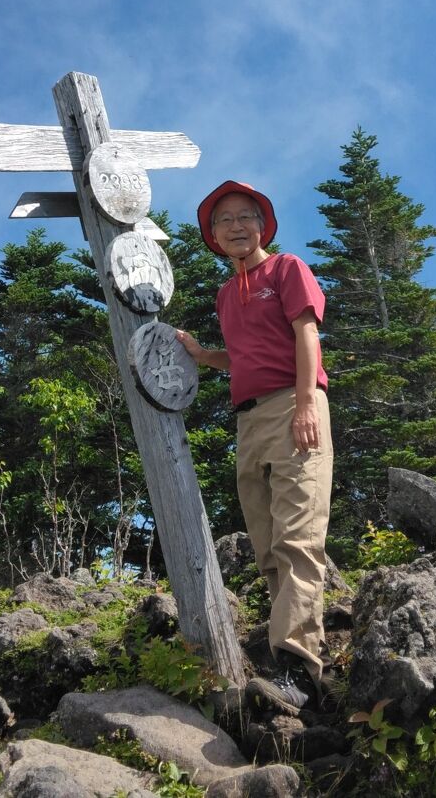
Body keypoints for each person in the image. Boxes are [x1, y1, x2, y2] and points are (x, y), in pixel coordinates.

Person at [177, 180, 334, 715]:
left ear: (263, 226)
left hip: (294, 406)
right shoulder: (226, 294)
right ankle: (285, 658)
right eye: (225, 221)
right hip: (248, 422)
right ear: (213, 237)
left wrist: (308, 402)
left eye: (246, 216)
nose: (237, 226)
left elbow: (305, 334)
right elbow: (243, 356)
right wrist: (203, 355)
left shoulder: (286, 269)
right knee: (266, 544)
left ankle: (300, 668)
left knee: (298, 538)